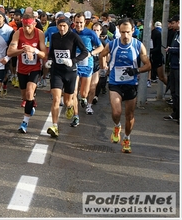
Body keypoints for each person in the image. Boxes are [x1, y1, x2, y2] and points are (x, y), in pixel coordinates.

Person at [99, 18, 151, 153]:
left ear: (133, 31)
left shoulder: (138, 45)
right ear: (119, 31)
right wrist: (103, 68)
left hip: (131, 83)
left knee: (130, 115)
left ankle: (127, 138)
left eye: (128, 32)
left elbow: (148, 65)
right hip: (115, 82)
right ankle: (117, 126)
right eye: (122, 32)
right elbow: (102, 54)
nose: (125, 35)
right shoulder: (112, 44)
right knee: (117, 112)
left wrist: (136, 70)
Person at [46, 16, 88, 138]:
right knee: (56, 98)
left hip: (70, 71)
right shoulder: (54, 36)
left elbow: (84, 52)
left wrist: (73, 60)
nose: (62, 28)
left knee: (68, 101)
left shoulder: (74, 37)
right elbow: (51, 52)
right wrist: (49, 60)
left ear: (69, 26)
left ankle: (70, 107)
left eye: (64, 26)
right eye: (60, 25)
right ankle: (55, 126)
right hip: (57, 71)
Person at [7, 13, 46, 133]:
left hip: (35, 68)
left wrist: (34, 50)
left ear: (34, 24)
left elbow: (44, 54)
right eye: (24, 26)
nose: (26, 28)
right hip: (22, 69)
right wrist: (22, 50)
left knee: (29, 93)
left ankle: (24, 123)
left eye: (29, 26)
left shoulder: (39, 33)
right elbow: (10, 52)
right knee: (24, 97)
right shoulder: (18, 33)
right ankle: (31, 103)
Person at [70, 12, 103, 125]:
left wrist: (91, 53)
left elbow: (101, 47)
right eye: (76, 22)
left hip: (87, 64)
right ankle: (76, 116)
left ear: (85, 22)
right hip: (75, 64)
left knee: (83, 93)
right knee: (74, 91)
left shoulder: (90, 33)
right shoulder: (71, 33)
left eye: (81, 23)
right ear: (73, 22)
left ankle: (83, 99)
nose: (78, 25)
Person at [163, 15, 179, 123]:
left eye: (173, 23)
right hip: (173, 66)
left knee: (178, 91)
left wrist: (171, 49)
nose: (171, 25)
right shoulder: (176, 33)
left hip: (178, 66)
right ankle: (176, 113)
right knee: (173, 91)